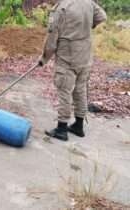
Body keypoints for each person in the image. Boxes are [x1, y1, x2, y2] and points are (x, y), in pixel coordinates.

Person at [38, 0, 107, 141]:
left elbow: (51, 39)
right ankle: (78, 126)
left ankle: (61, 129)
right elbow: (102, 16)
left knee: (64, 90)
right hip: (85, 56)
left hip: (67, 57)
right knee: (80, 89)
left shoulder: (60, 9)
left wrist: (44, 59)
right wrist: (87, 26)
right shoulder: (88, 3)